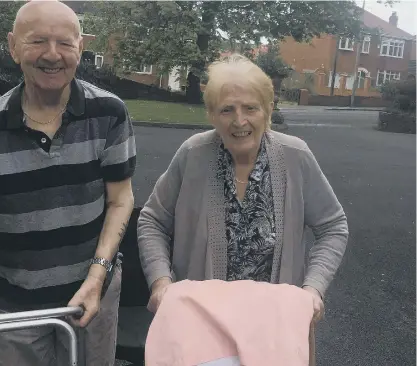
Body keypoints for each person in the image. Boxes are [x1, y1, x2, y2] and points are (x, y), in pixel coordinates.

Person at [0, 1, 136, 365]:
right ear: (13, 46)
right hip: (12, 307)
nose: (53, 55)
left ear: (80, 48)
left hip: (90, 295)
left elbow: (120, 200)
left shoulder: (110, 114)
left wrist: (97, 277)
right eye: (37, 41)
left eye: (65, 43)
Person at [137, 54, 348, 324]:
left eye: (250, 108)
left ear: (267, 110)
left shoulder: (296, 156)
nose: (239, 121)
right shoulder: (193, 155)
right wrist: (160, 281)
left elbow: (333, 227)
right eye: (227, 109)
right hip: (200, 322)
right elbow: (153, 220)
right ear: (212, 114)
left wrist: (312, 288)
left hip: (277, 323)